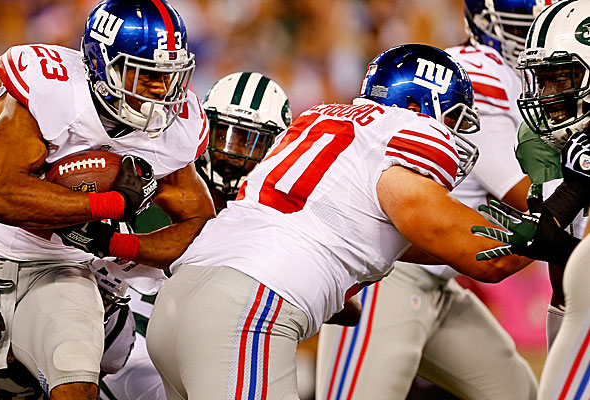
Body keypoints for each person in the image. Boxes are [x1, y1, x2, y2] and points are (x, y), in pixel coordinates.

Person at [143, 43, 537, 400]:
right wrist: (556, 212)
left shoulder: (324, 121)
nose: (454, 132)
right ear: (418, 108)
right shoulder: (400, 142)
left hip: (181, 302)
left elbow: (386, 235)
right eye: (452, 118)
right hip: (244, 315)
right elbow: (492, 258)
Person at [0, 0, 215, 398]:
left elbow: (200, 227)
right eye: (145, 75)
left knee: (76, 376)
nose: (162, 90)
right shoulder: (50, 89)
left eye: (169, 76)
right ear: (102, 65)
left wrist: (116, 244)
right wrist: (109, 206)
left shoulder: (173, 127)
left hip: (63, 269)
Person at [314, 2, 540, 399]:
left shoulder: (529, 80)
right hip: (386, 274)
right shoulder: (476, 71)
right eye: (528, 21)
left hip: (440, 283)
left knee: (517, 391)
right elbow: (525, 194)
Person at [99, 71, 293, 400]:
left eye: (247, 140)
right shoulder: (164, 178)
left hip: (205, 346)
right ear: (205, 129)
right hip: (123, 331)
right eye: (224, 135)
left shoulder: (276, 215)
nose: (231, 153)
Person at [469, 1, 590, 398]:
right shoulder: (564, 142)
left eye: (561, 78)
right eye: (543, 80)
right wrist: (545, 230)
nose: (549, 95)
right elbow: (567, 282)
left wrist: (548, 240)